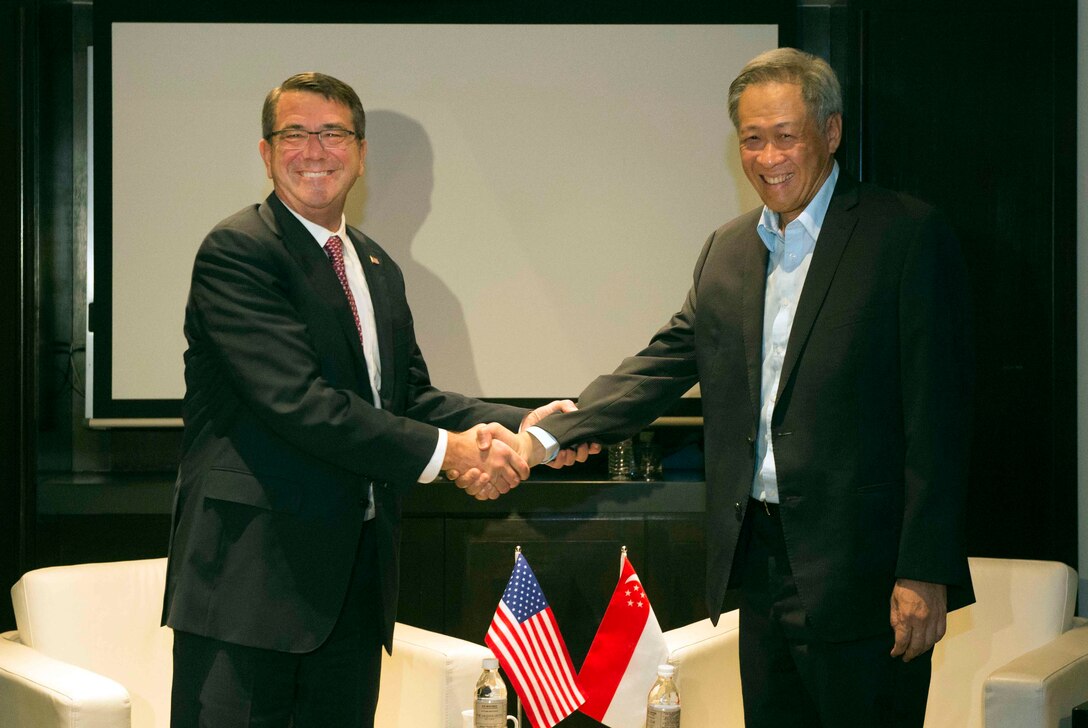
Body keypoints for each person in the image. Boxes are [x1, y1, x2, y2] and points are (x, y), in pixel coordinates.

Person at [463, 48, 974, 726]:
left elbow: (940, 418)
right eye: (752, 138)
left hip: (867, 576)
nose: (768, 157)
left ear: (831, 132)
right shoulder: (728, 250)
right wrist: (545, 435)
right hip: (758, 567)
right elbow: (661, 366)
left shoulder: (905, 235)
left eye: (785, 135)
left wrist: (923, 570)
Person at [162, 72, 593, 728]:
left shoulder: (374, 266)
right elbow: (299, 403)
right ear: (265, 151)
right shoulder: (240, 252)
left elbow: (408, 397)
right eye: (294, 134)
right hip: (249, 590)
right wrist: (451, 453)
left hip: (354, 588)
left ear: (361, 154)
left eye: (333, 134)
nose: (315, 150)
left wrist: (518, 425)